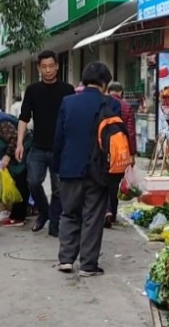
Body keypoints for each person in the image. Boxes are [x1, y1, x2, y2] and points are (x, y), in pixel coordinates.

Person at [53, 61, 121, 276]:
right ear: (104, 83)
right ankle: (88, 265)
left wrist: (58, 166)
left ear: (83, 80)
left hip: (69, 168)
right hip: (98, 171)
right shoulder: (111, 104)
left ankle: (65, 259)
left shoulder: (68, 102)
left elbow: (59, 138)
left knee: (69, 213)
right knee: (93, 217)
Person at [16, 50, 76, 236]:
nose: (48, 70)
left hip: (61, 148)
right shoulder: (33, 90)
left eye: (51, 66)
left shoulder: (68, 90)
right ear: (39, 68)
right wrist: (19, 143)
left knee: (59, 189)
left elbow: (73, 118)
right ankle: (44, 212)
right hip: (38, 146)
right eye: (44, 67)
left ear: (57, 66)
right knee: (33, 182)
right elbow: (24, 118)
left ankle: (54, 224)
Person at [105, 81, 138, 227]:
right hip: (121, 151)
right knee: (114, 184)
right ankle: (112, 212)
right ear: (121, 92)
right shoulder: (126, 107)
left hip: (105, 148)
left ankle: (106, 210)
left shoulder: (103, 103)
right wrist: (132, 154)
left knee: (104, 181)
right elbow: (130, 132)